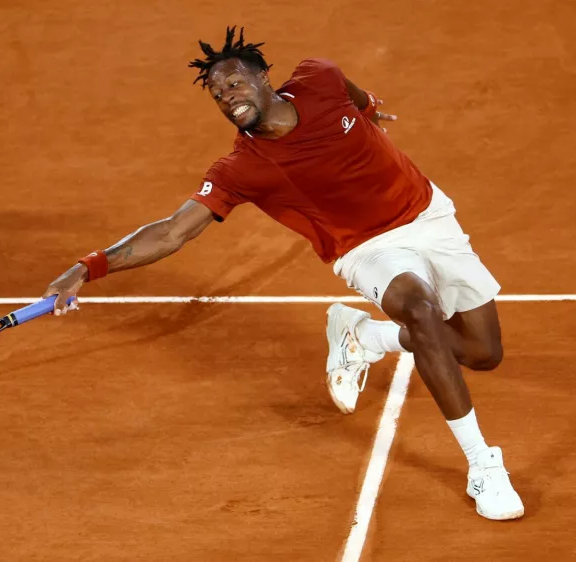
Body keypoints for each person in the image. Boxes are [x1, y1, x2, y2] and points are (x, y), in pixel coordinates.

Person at [42, 26, 524, 521]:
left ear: (265, 77)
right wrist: (89, 265)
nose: (227, 98)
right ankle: (482, 464)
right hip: (364, 248)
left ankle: (366, 336)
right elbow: (171, 232)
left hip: (428, 216)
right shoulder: (241, 167)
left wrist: (369, 108)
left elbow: (353, 95)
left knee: (483, 353)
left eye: (233, 84)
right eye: (216, 94)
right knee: (421, 310)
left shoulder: (320, 78)